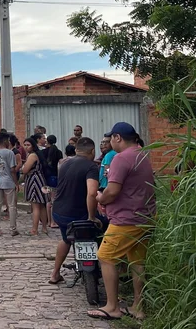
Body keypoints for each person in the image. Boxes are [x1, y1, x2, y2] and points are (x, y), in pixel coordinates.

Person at [88, 122, 156, 321]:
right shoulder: (142, 154)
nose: (109, 143)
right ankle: (138, 306)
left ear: (118, 138)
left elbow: (113, 190)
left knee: (106, 256)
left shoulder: (121, 158)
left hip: (126, 219)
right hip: (145, 217)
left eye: (111, 139)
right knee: (137, 262)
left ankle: (112, 307)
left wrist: (101, 198)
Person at [49, 137, 100, 284]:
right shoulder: (91, 167)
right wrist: (92, 217)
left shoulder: (64, 164)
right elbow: (92, 193)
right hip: (80, 215)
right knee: (105, 226)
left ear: (76, 150)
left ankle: (55, 273)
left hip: (59, 212)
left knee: (66, 239)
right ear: (92, 151)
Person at [22, 137, 49, 235]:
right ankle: (44, 228)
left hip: (34, 181)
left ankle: (34, 229)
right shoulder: (38, 154)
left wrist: (22, 168)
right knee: (42, 205)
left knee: (36, 206)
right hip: (41, 180)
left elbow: (25, 170)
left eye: (28, 145)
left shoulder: (32, 155)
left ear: (33, 145)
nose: (26, 147)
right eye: (24, 145)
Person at [43, 135, 63, 228]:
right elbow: (60, 165)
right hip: (54, 177)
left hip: (46, 177)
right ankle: (53, 221)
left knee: (48, 200)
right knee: (53, 200)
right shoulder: (58, 152)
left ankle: (48, 221)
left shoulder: (43, 152)